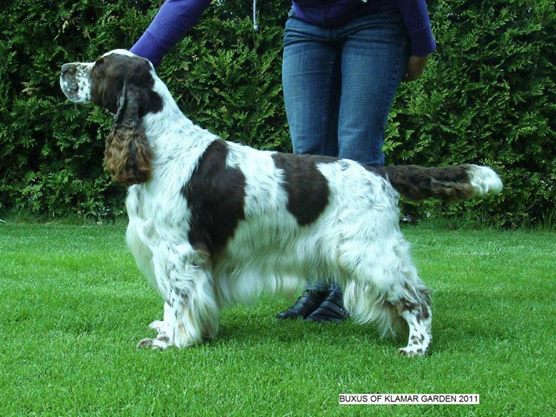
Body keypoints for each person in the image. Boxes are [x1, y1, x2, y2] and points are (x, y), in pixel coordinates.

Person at [130, 0, 435, 323]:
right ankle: (319, 284)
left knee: (357, 155)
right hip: (307, 26)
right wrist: (136, 59)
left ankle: (353, 287)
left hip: (376, 21)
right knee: (306, 162)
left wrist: (421, 41)